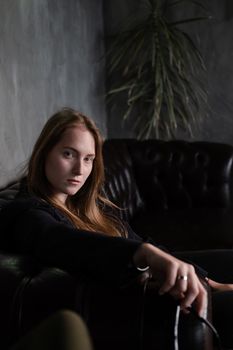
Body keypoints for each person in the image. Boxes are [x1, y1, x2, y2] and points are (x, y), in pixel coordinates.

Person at [1, 107, 233, 348]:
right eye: (69, 154)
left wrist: (206, 279)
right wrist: (141, 254)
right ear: (44, 153)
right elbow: (58, 239)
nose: (80, 170)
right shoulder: (27, 211)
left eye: (88, 159)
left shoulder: (91, 206)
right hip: (116, 311)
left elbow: (138, 241)